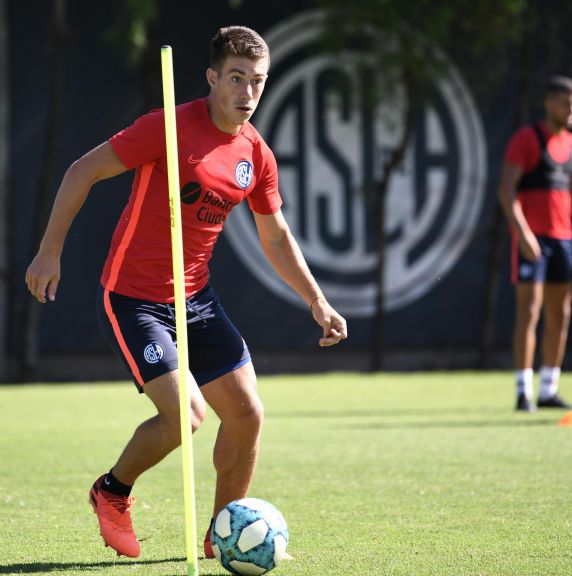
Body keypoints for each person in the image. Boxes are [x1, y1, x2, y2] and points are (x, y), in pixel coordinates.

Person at [25, 26, 347, 558]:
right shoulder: (168, 128)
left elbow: (276, 235)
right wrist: (49, 251)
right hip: (134, 299)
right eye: (236, 79)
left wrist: (317, 300)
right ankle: (112, 491)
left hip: (197, 299)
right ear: (212, 77)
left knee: (247, 414)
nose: (247, 93)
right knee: (188, 416)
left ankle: (223, 538)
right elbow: (83, 171)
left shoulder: (255, 154)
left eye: (257, 82)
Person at [498, 75, 572, 412]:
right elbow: (506, 191)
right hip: (533, 239)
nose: (571, 110)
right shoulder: (527, 139)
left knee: (560, 313)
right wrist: (524, 233)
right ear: (549, 103)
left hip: (564, 240)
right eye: (566, 103)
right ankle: (523, 390)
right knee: (528, 311)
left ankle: (548, 388)